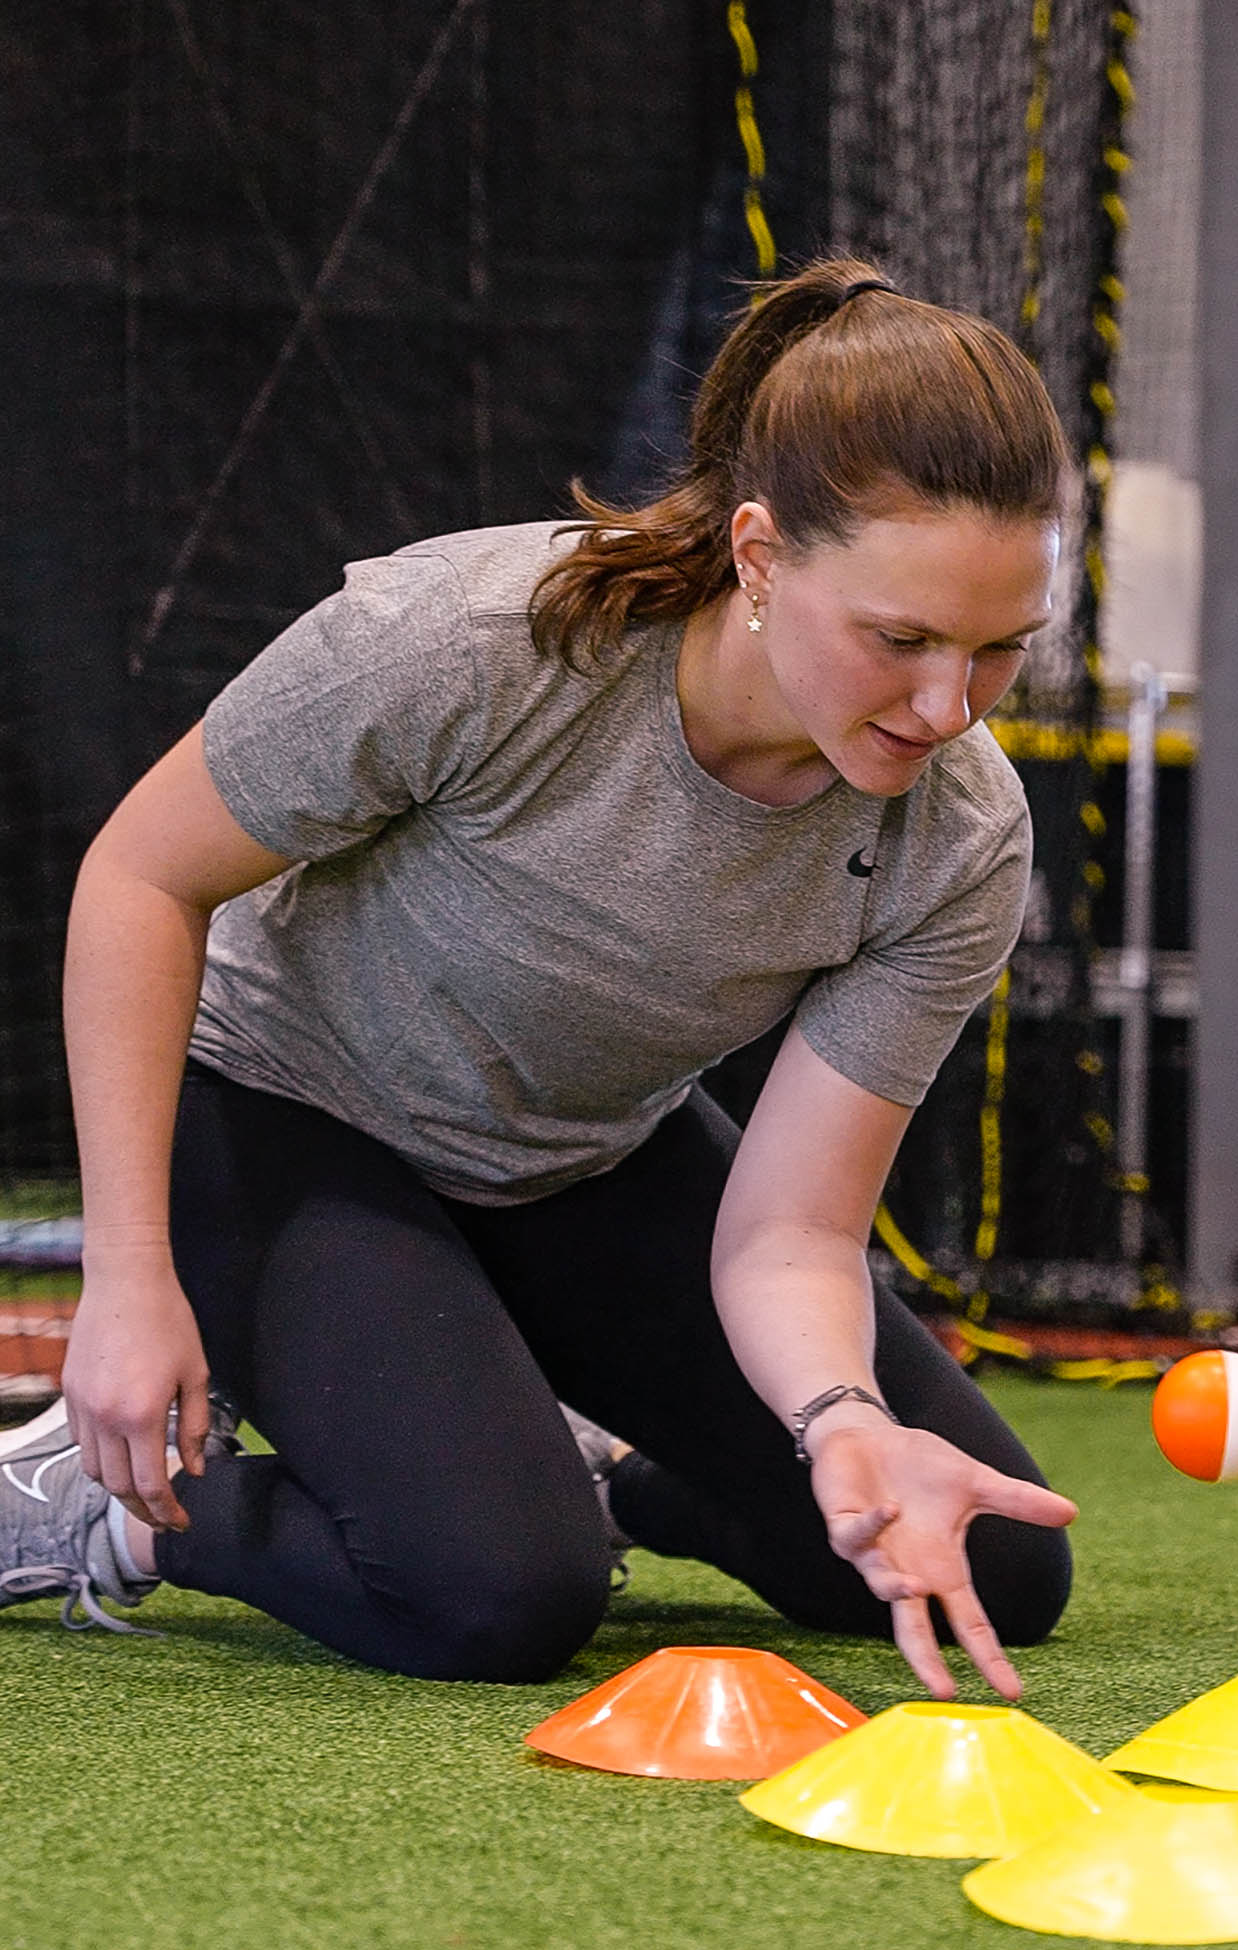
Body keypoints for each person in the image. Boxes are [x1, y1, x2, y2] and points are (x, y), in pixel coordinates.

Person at [2, 258, 1079, 1696]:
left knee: (990, 1559)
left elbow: (791, 1236)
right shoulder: (478, 643)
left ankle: (593, 1469)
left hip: (576, 1166)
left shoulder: (959, 835)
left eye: (1000, 650)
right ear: (760, 555)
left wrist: (842, 1422)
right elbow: (140, 877)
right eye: (902, 641)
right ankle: (116, 1514)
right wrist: (127, 1282)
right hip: (276, 1116)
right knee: (497, 1599)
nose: (949, 709)